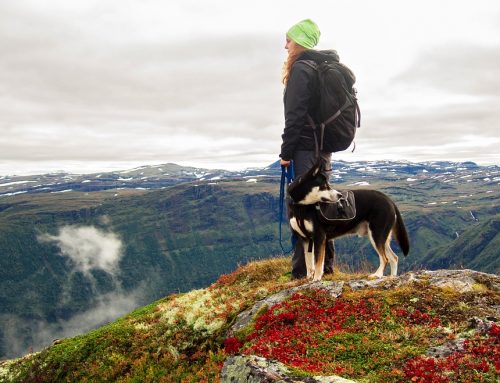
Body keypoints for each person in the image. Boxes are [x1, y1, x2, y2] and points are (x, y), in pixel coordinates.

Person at [279, 19, 337, 279]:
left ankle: (301, 273)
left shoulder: (302, 69)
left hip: (304, 149)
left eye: (289, 40)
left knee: (302, 209)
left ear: (300, 42)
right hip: (322, 149)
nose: (285, 45)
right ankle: (325, 268)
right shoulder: (320, 67)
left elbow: (295, 116)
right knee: (321, 206)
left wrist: (286, 153)